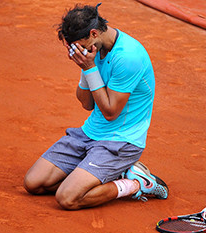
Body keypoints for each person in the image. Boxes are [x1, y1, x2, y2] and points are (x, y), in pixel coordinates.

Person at [23, 3, 168, 210]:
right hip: (89, 133)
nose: (76, 51)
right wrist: (85, 69)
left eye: (77, 45)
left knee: (68, 198)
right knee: (33, 183)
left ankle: (137, 184)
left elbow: (110, 112)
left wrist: (89, 68)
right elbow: (86, 103)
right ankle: (99, 173)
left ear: (93, 33)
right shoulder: (92, 51)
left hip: (121, 142)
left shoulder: (128, 57)